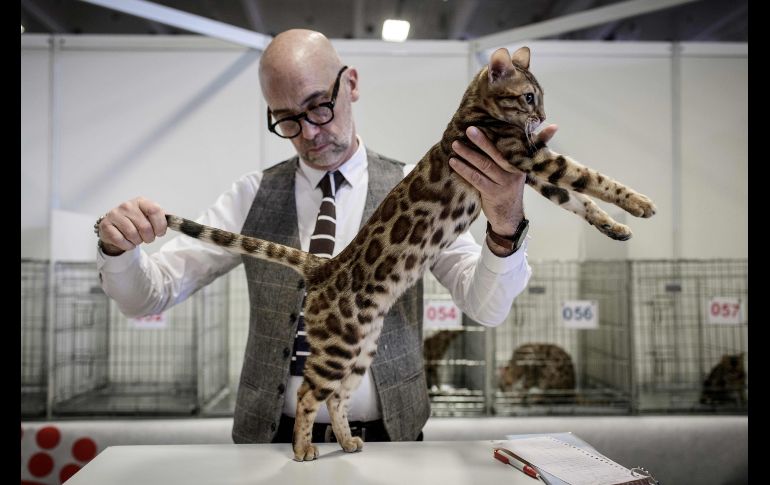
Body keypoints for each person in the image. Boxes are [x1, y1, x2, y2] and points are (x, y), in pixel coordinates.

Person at [95, 29, 556, 444]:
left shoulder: (419, 185)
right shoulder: (251, 195)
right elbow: (148, 295)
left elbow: (486, 307)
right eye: (287, 120)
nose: (310, 132)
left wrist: (505, 225)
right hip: (269, 443)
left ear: (351, 83)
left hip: (390, 441)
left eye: (319, 105)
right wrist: (118, 249)